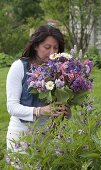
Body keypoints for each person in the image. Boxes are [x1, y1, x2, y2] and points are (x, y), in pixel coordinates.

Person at [6, 24, 69, 152]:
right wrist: (39, 111)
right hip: (22, 135)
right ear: (35, 46)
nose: (53, 53)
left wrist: (67, 112)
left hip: (51, 135)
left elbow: (61, 107)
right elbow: (12, 107)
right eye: (47, 47)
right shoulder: (19, 67)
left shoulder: (60, 70)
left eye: (56, 48)